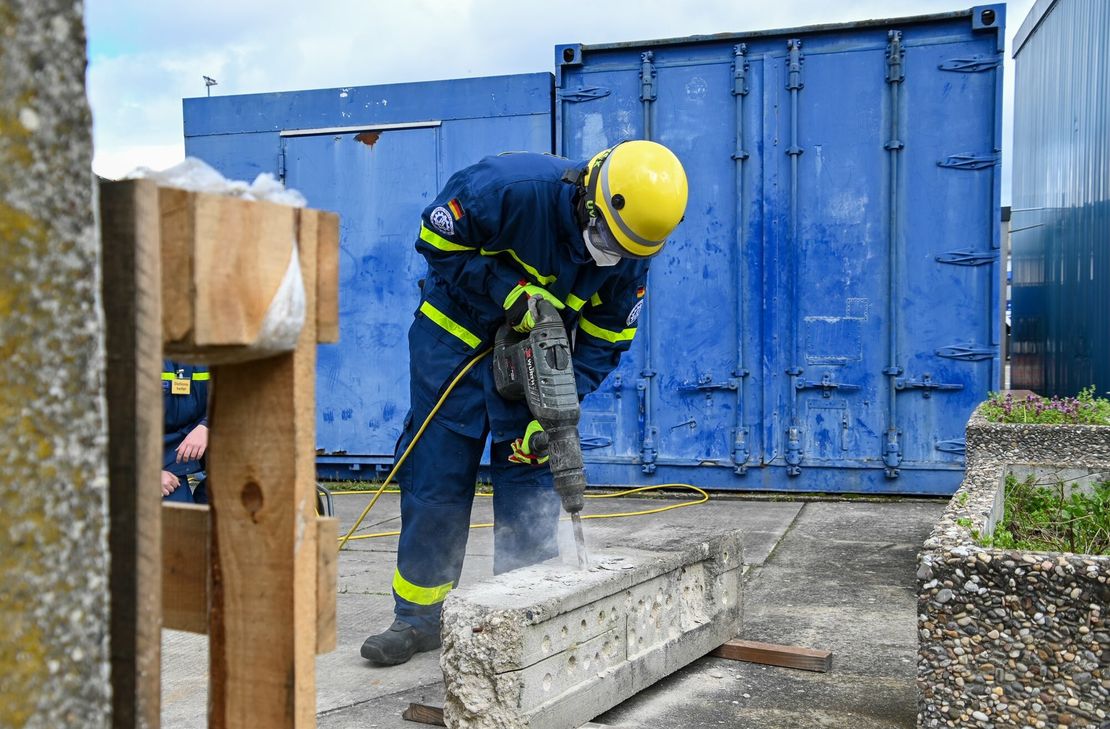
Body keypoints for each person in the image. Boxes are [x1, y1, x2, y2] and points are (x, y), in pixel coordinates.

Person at [360, 141, 688, 666]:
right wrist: (506, 290)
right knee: (438, 479)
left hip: (530, 367)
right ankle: (418, 619)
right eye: (604, 236)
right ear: (589, 196)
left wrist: (561, 404)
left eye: (626, 249)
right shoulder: (507, 188)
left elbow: (605, 342)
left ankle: (520, 617)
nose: (610, 254)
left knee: (529, 482)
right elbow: (434, 240)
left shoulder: (630, 255)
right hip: (454, 346)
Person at [161, 359, 210, 504]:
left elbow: (236, 396)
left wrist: (207, 425)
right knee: (177, 514)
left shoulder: (213, 350)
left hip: (209, 448)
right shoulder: (140, 353)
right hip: (162, 460)